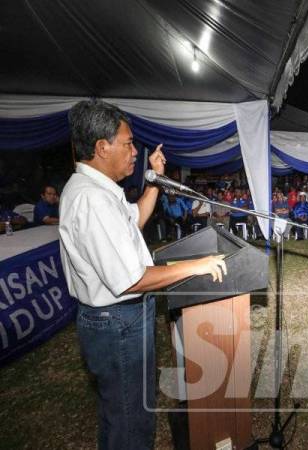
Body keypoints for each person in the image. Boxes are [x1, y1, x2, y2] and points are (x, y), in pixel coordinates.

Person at [59, 100, 227, 450]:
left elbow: (133, 221)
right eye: (128, 143)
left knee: (119, 414)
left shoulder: (101, 188)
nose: (135, 152)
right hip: (118, 322)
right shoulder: (92, 199)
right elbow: (131, 279)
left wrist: (154, 181)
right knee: (132, 423)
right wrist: (198, 265)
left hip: (119, 319)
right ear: (102, 147)